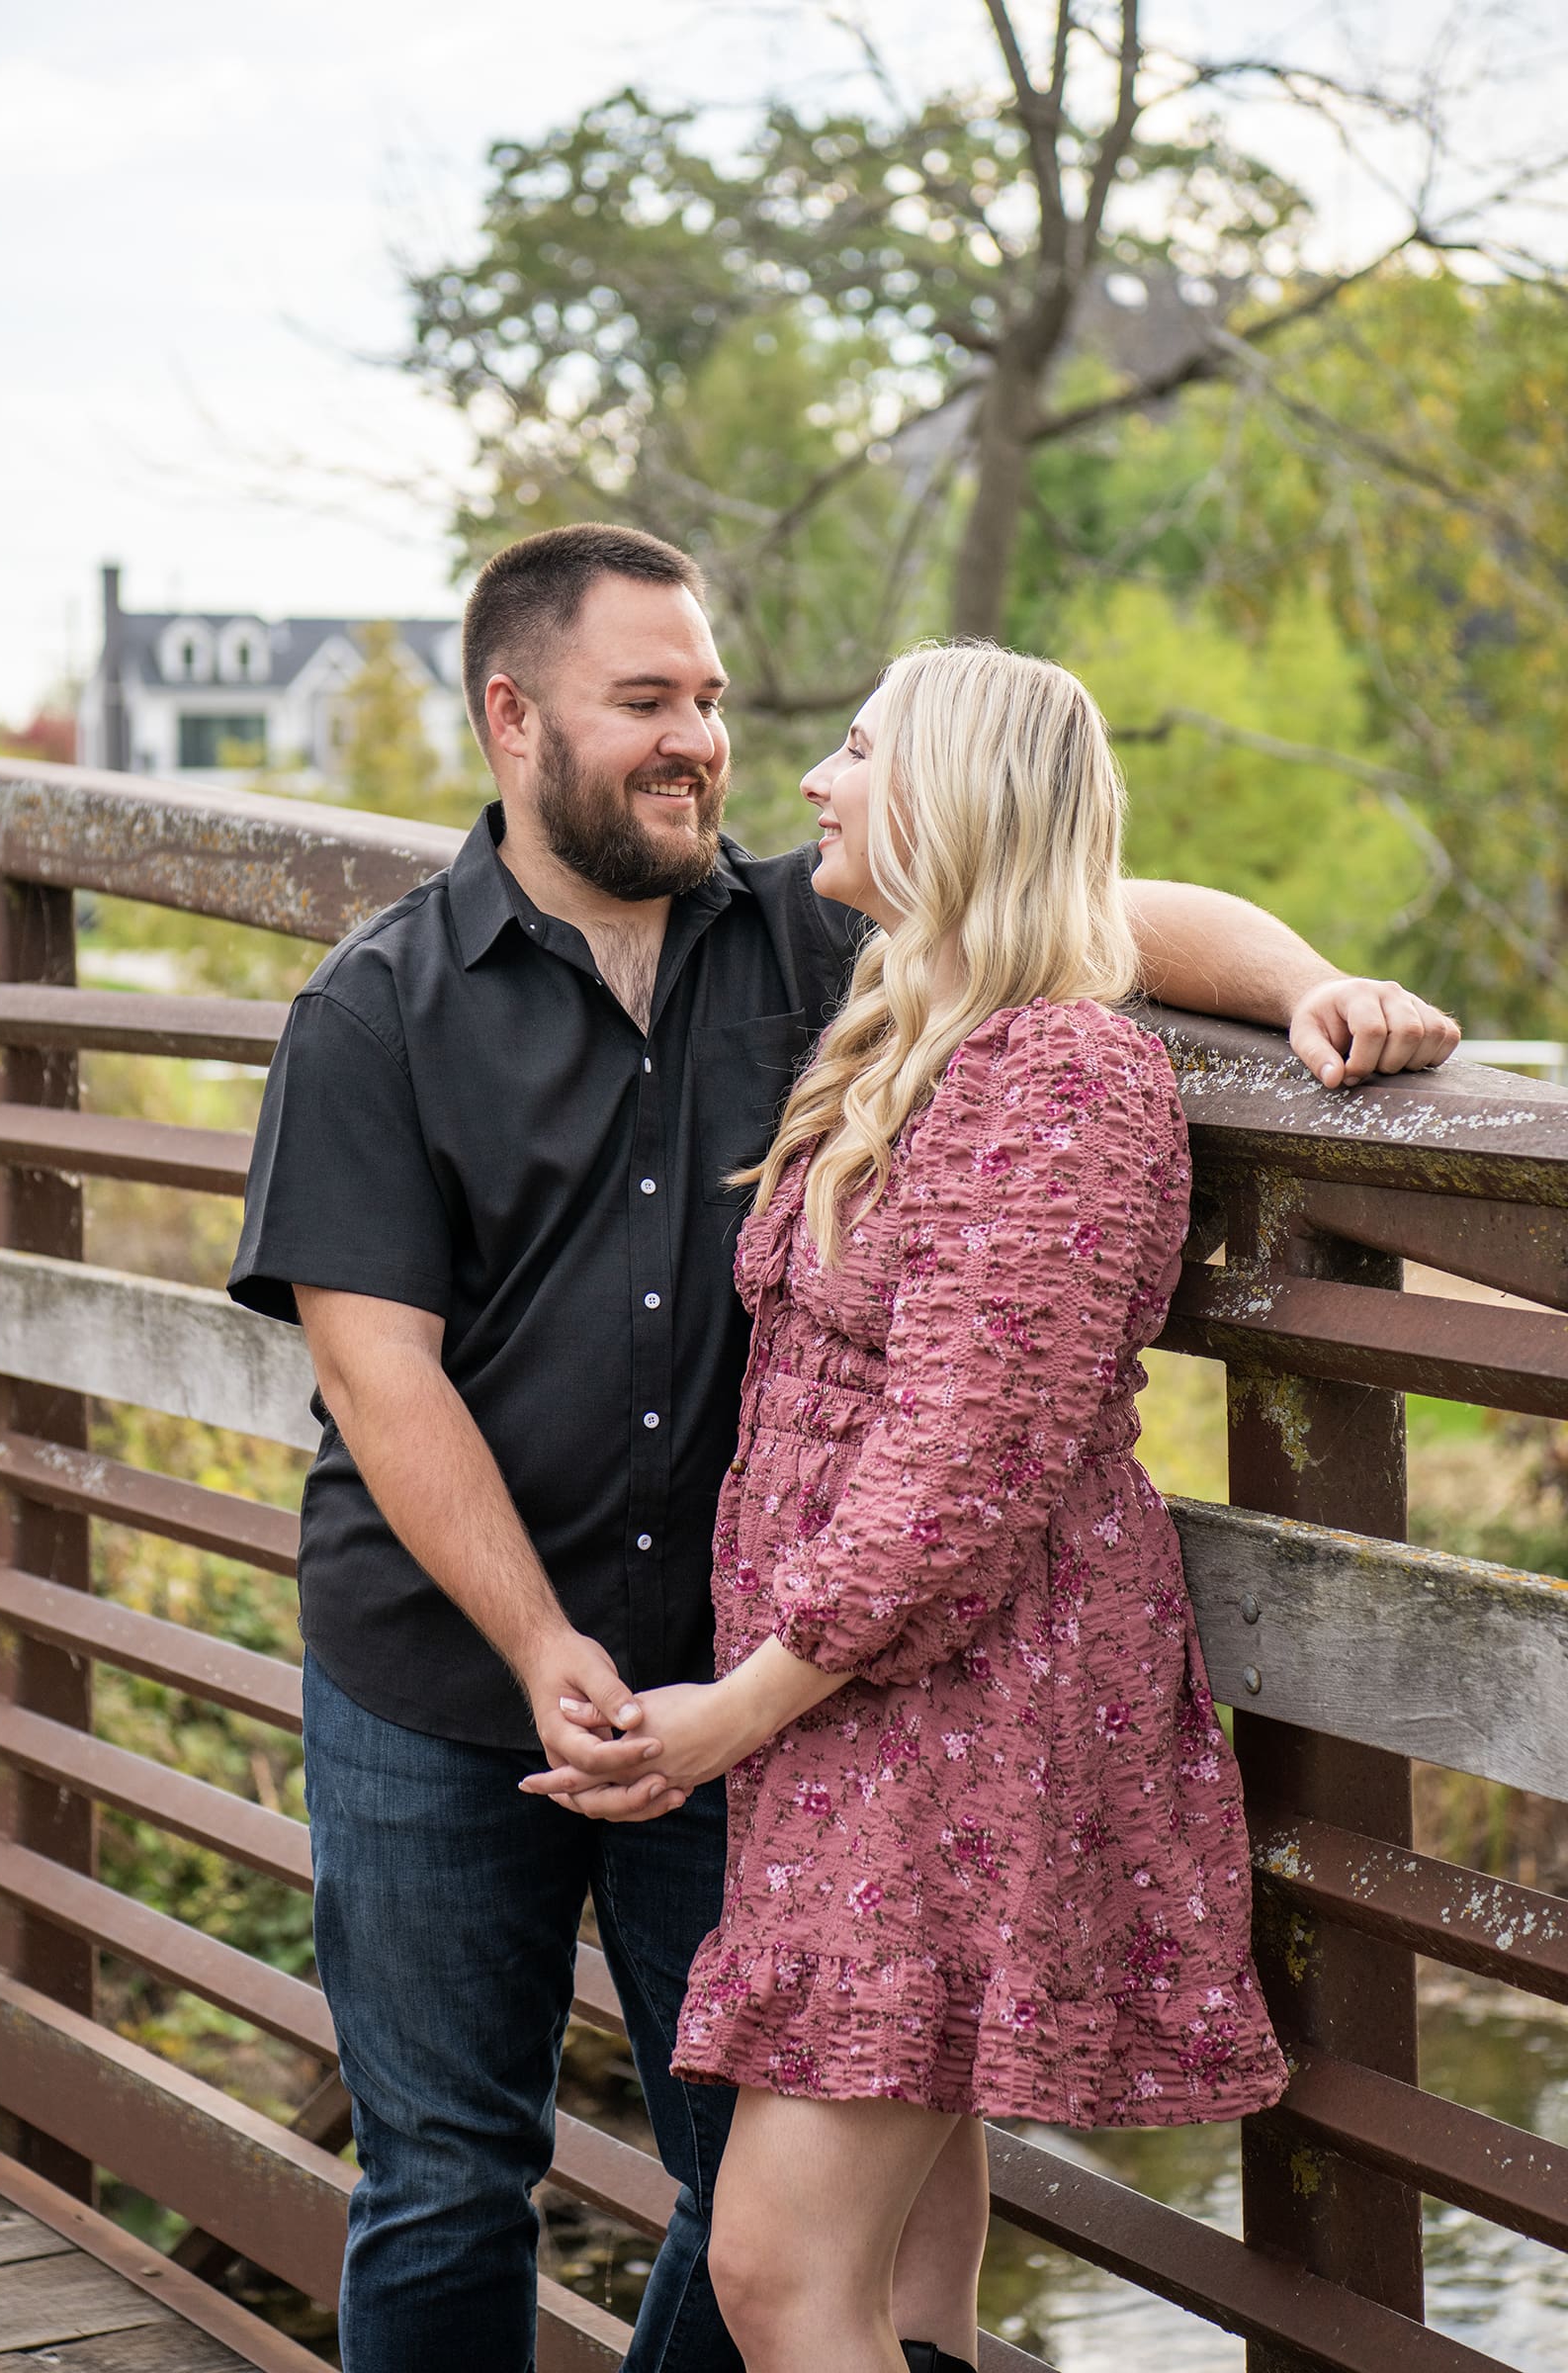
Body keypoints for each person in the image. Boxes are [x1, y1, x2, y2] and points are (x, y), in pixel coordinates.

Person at [227, 523, 1457, 2373]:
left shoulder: (825, 936)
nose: (706, 742)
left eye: (710, 699)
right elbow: (379, 1371)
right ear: (511, 716)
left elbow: (1108, 906)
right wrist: (538, 1645)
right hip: (446, 1673)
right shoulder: (376, 1010)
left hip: (769, 1695)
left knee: (773, 2212)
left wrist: (1308, 991)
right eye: (646, 701)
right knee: (446, 2176)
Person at [524, 641, 1291, 2373]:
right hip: (865, 1721)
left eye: (859, 750)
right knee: (907, 2287)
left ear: (952, 795)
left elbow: (964, 1467)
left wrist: (738, 1708)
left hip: (958, 1712)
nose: (809, 780)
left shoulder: (1059, 1080)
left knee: (783, 2277)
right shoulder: (913, 1026)